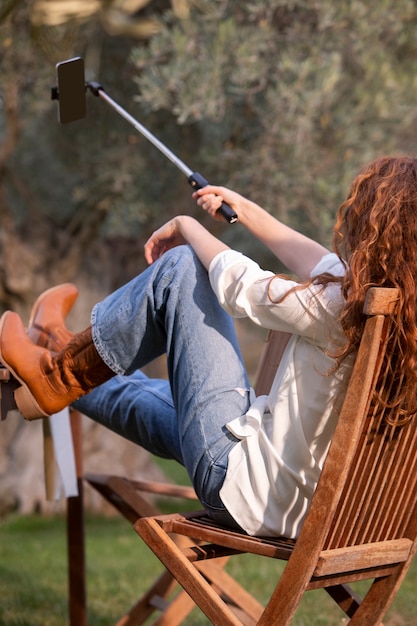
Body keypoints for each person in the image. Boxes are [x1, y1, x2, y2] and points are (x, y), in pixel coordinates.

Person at [1, 155, 416, 539]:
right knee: (146, 399)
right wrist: (243, 209)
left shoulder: (341, 308)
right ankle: (51, 353)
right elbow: (318, 261)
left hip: (245, 490)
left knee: (182, 269)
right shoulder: (393, 315)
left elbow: (242, 289)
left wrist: (187, 226)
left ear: (379, 232)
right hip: (303, 509)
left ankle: (56, 375)